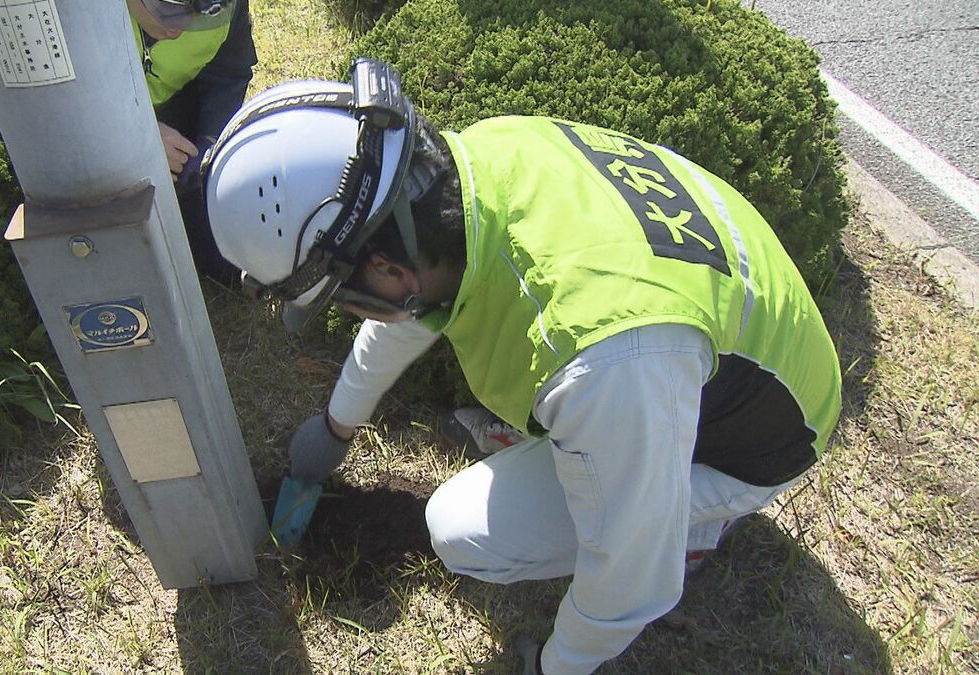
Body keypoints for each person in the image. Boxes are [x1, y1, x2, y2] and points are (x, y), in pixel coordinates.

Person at [201, 59, 842, 674]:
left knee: (462, 533)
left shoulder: (599, 358)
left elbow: (629, 579)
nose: (354, 310)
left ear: (389, 272)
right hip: (712, 338)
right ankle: (590, 456)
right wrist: (337, 426)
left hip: (754, 441)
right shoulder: (479, 166)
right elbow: (415, 308)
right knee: (596, 427)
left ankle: (700, 522)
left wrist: (555, 665)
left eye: (343, 295)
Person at [128, 0, 256, 284]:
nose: (180, 27)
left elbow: (228, 74)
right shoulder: (66, 12)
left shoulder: (230, 6)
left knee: (226, 268)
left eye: (205, 11)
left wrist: (210, 142)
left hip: (172, 107)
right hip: (90, 134)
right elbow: (42, 111)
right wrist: (136, 135)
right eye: (168, 9)